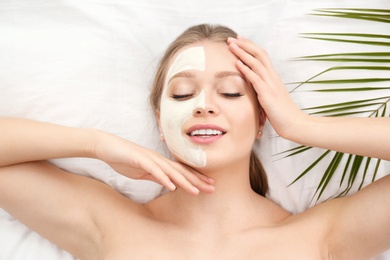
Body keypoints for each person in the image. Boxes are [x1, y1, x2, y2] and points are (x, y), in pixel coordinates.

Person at [0, 23, 389, 259]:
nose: (204, 107)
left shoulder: (322, 237)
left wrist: (300, 127)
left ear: (261, 120)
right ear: (160, 119)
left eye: (231, 93)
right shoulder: (109, 224)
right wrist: (96, 144)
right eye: (183, 94)